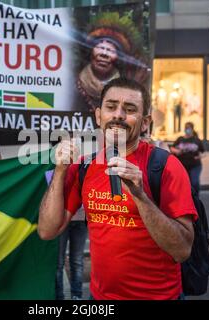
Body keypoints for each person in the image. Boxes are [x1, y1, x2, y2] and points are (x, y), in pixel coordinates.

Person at [38, 77, 197, 300]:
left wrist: (139, 196)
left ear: (144, 122)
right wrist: (60, 171)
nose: (118, 115)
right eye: (111, 107)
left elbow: (182, 251)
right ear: (98, 115)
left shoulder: (166, 166)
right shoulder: (84, 166)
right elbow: (47, 231)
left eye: (130, 109)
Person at [55, 206, 88, 300]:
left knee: (76, 261)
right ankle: (59, 296)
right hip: (61, 217)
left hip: (81, 218)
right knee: (59, 263)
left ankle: (77, 296)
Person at [170, 122, 205, 195]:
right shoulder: (180, 139)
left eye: (189, 128)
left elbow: (203, 152)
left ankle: (195, 198)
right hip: (182, 165)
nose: (187, 130)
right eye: (186, 128)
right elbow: (171, 148)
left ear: (192, 129)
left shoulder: (196, 140)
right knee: (184, 183)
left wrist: (200, 156)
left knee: (194, 182)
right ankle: (187, 198)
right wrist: (176, 151)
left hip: (195, 165)